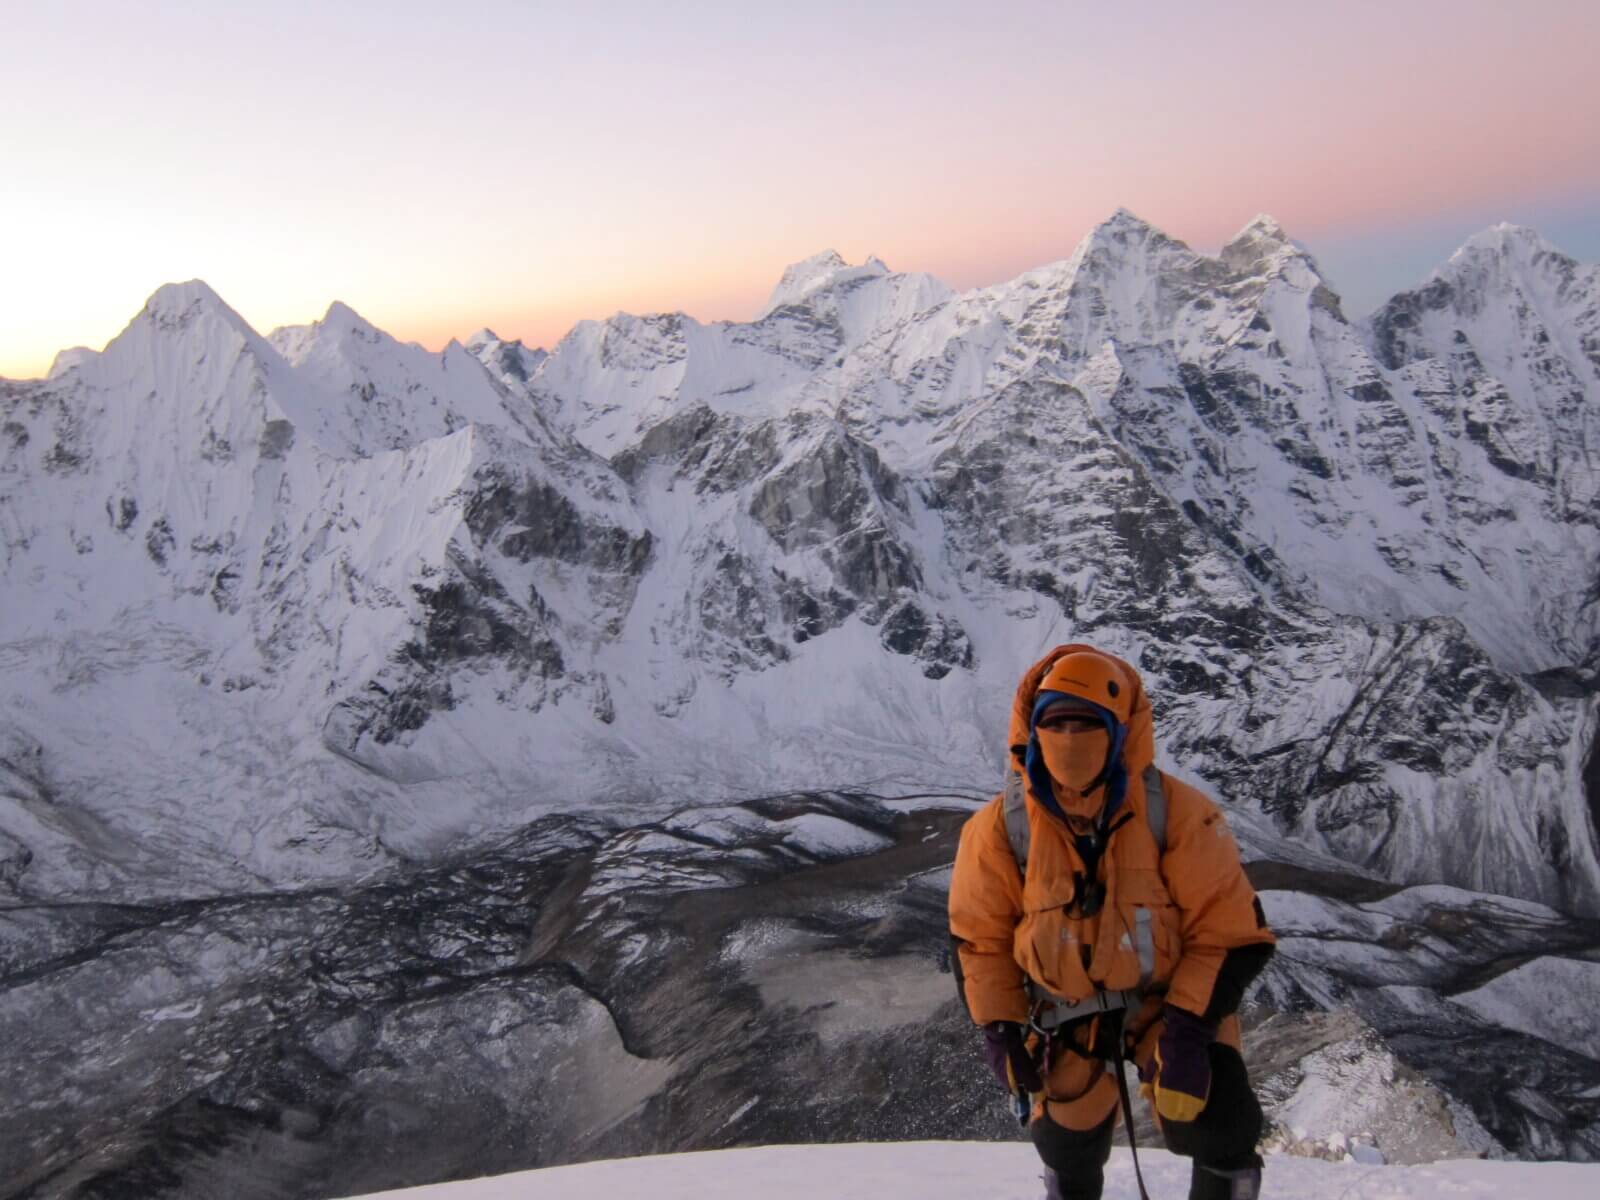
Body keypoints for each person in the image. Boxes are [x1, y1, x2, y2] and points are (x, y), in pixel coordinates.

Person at [949, 645, 1276, 1200]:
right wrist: (1001, 1028)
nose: (1070, 737)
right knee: (1065, 1139)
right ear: (1034, 729)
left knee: (1218, 1117)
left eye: (1086, 723)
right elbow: (979, 941)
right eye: (1057, 722)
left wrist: (1190, 1036)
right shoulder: (1000, 829)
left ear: (1120, 730)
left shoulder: (1178, 814)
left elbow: (1228, 933)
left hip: (1170, 1007)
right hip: (1064, 1012)